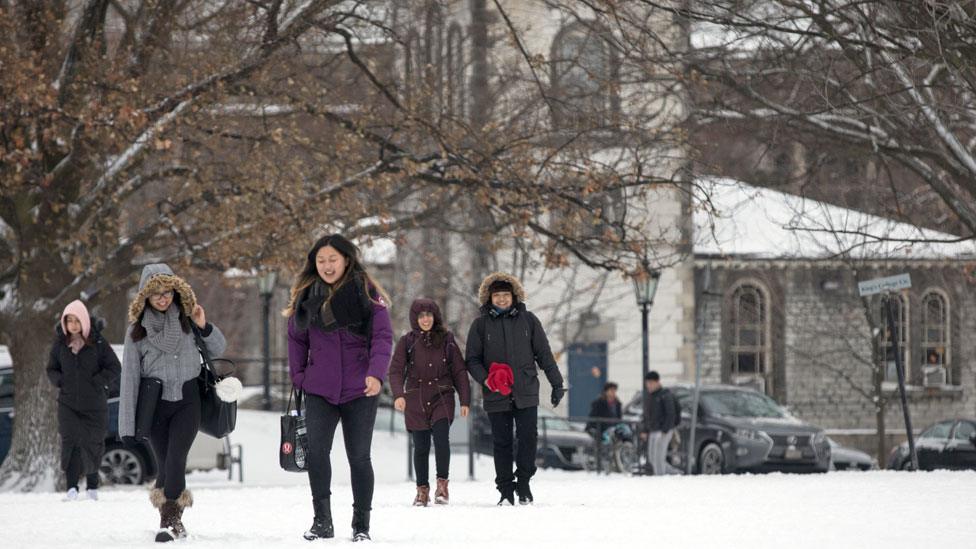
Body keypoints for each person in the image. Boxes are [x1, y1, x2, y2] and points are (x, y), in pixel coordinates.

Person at [285, 234, 393, 542]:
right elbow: (296, 338)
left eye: (333, 259)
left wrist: (375, 374)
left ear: (346, 259)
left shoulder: (367, 293)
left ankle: (361, 525)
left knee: (359, 456)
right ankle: (322, 521)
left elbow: (383, 337)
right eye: (321, 260)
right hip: (320, 389)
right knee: (317, 453)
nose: (327, 265)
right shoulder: (306, 296)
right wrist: (300, 376)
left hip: (361, 389)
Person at [118, 264, 226, 542]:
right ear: (146, 297)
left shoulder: (188, 321)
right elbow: (129, 378)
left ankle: (170, 522)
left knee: (177, 459)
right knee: (164, 464)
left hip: (188, 401)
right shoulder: (136, 332)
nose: (163, 298)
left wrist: (204, 325)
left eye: (167, 292)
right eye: (156, 294)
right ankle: (171, 517)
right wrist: (127, 425)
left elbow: (218, 349)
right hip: (153, 405)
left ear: (176, 291)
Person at [465, 272, 565, 506]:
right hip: (496, 391)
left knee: (529, 438)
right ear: (489, 298)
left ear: (514, 296)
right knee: (501, 442)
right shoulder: (480, 325)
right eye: (497, 295)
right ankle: (506, 489)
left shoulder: (529, 320)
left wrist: (557, 383)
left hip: (526, 389)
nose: (501, 299)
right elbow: (471, 359)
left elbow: (544, 355)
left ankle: (524, 483)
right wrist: (486, 379)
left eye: (505, 295)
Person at [388, 298, 471, 506]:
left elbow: (459, 371)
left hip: (442, 395)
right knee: (421, 446)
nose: (426, 319)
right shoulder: (407, 341)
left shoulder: (447, 339)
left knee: (442, 439)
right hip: (415, 397)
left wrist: (465, 399)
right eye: (421, 315)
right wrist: (398, 394)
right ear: (415, 319)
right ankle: (422, 490)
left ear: (435, 317)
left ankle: (442, 486)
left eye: (429, 315)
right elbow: (396, 370)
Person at [46, 300, 121, 502]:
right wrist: (60, 380)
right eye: (69, 320)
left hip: (94, 405)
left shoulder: (98, 343)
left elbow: (115, 367)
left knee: (92, 443)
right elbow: (51, 369)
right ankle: (71, 488)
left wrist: (98, 382)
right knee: (70, 443)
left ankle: (92, 487)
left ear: (85, 321)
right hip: (68, 404)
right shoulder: (60, 344)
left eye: (77, 320)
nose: (73, 325)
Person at [640, 371, 677, 476]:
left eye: (651, 383)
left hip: (663, 430)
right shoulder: (650, 396)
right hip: (653, 430)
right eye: (647, 383)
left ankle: (660, 478)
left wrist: (665, 430)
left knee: (658, 457)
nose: (649, 386)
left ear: (657, 382)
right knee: (652, 457)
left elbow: (671, 414)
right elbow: (647, 415)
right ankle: (672, 473)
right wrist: (645, 430)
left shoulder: (665, 395)